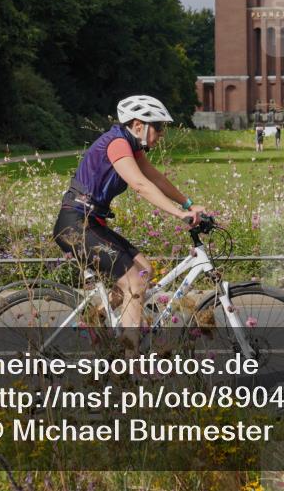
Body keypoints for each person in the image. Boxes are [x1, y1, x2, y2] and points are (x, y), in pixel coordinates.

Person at [53, 95, 207, 338]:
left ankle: (96, 319)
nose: (162, 133)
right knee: (134, 282)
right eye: (159, 127)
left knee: (144, 271)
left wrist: (188, 203)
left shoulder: (131, 146)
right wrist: (180, 214)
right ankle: (129, 363)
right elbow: (139, 184)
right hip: (75, 225)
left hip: (92, 223)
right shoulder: (117, 143)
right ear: (138, 125)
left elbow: (155, 178)